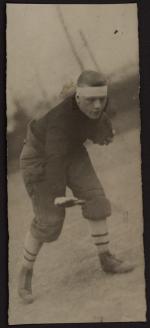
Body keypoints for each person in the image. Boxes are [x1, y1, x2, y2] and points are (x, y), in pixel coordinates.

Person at [18, 70, 134, 304]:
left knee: (96, 198)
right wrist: (58, 194)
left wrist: (104, 131)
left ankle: (106, 258)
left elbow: (101, 117)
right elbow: (55, 158)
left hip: (71, 151)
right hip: (41, 158)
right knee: (49, 220)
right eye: (91, 100)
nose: (97, 104)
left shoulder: (97, 105)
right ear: (78, 98)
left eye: (102, 98)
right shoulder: (60, 121)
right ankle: (25, 272)